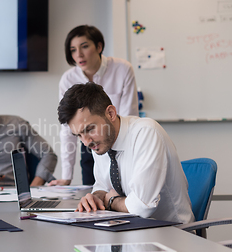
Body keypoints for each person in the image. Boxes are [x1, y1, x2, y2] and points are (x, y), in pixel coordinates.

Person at [57, 82, 194, 224]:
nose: (86, 142)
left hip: (172, 235)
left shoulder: (146, 133)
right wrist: (95, 198)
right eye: (79, 135)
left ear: (110, 114)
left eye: (90, 129)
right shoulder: (100, 142)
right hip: (132, 231)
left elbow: (141, 207)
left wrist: (111, 201)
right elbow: (102, 187)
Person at [51, 25, 138, 186]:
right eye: (73, 50)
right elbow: (67, 129)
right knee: (94, 196)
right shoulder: (68, 79)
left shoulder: (122, 69)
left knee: (124, 192)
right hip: (90, 145)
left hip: (121, 141)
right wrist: (66, 177)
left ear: (99, 46)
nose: (79, 55)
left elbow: (129, 115)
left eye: (84, 46)